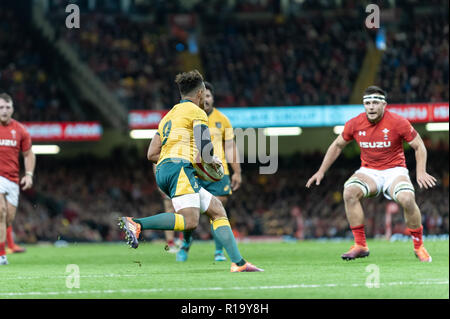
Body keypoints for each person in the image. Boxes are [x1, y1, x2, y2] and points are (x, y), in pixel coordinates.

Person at [118, 70, 263, 272]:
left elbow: (151, 153)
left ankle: (238, 263)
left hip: (164, 170)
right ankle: (136, 223)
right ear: (201, 93)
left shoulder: (168, 116)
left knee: (217, 210)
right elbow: (204, 151)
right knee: (190, 221)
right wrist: (214, 165)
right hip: (179, 169)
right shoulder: (197, 113)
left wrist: (174, 160)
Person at [306, 86, 436, 262]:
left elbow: (419, 145)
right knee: (349, 191)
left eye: (375, 102)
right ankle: (360, 245)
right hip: (369, 171)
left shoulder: (398, 122)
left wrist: (421, 172)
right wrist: (321, 171)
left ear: (384, 105)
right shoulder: (354, 123)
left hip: (394, 171)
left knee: (407, 198)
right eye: (367, 103)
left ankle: (418, 246)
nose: (371, 107)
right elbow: (337, 145)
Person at [176, 81, 242, 262]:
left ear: (212, 98)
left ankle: (218, 251)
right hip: (194, 171)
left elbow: (230, 147)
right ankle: (186, 244)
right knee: (190, 213)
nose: (205, 99)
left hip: (217, 173)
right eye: (202, 95)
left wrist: (237, 172)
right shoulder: (189, 118)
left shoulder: (223, 120)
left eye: (208, 95)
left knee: (218, 211)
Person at [0, 93, 36, 265]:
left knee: (8, 219)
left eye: (7, 107)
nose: (4, 110)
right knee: (1, 212)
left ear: (13, 109)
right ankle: (1, 255)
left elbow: (28, 154)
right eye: (1, 107)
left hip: (13, 180)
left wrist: (28, 175)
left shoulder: (20, 130)